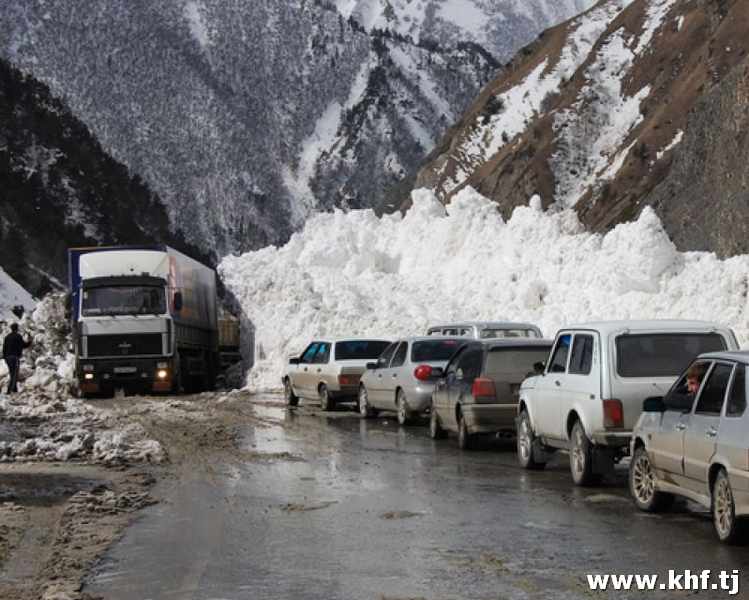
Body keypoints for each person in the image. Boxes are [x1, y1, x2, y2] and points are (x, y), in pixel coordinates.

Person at [2, 323, 32, 394]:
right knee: (14, 374)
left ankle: (14, 390)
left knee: (12, 373)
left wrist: (5, 357)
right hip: (15, 357)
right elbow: (24, 345)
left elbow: (4, 348)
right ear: (17, 329)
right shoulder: (18, 336)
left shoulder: (7, 337)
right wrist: (30, 341)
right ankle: (9, 391)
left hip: (8, 358)